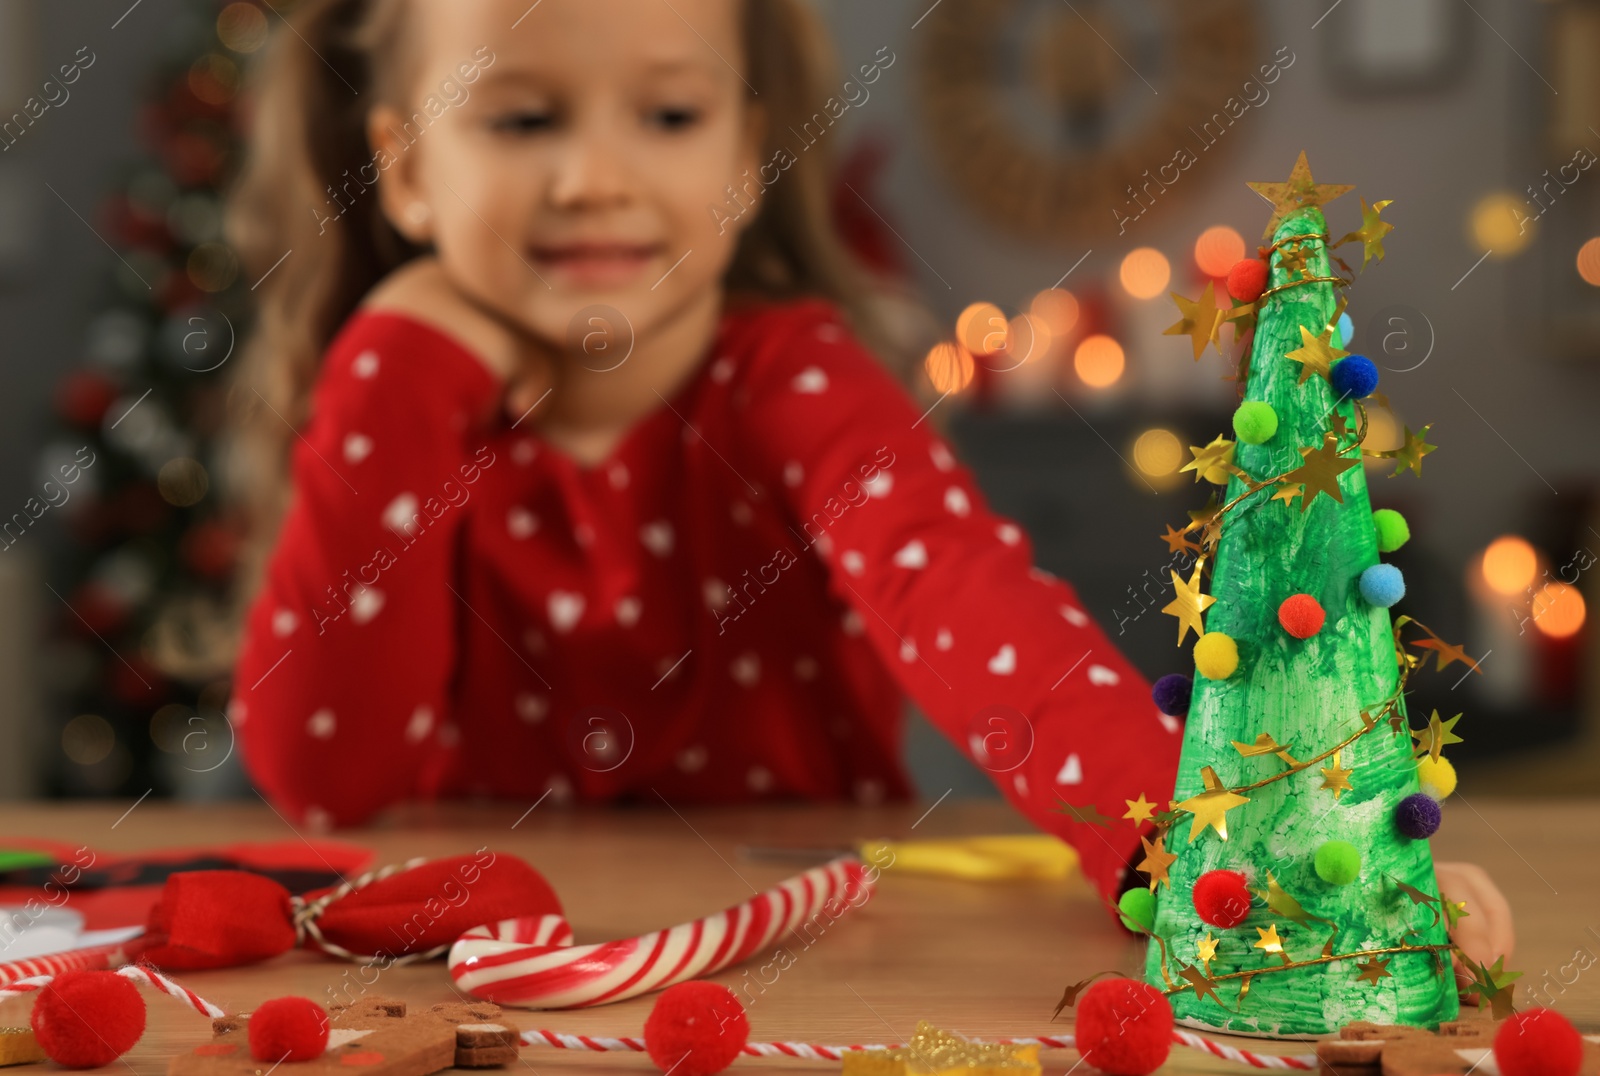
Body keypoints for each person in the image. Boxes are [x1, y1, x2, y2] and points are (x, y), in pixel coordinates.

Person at [223, 0, 1511, 972]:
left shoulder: (799, 378)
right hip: (471, 975)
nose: (595, 177)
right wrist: (396, 369)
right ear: (401, 170)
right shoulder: (398, 393)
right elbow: (326, 775)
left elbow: (971, 604)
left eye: (670, 115)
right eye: (521, 117)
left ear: (746, 160)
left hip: (803, 961)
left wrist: (1208, 857)